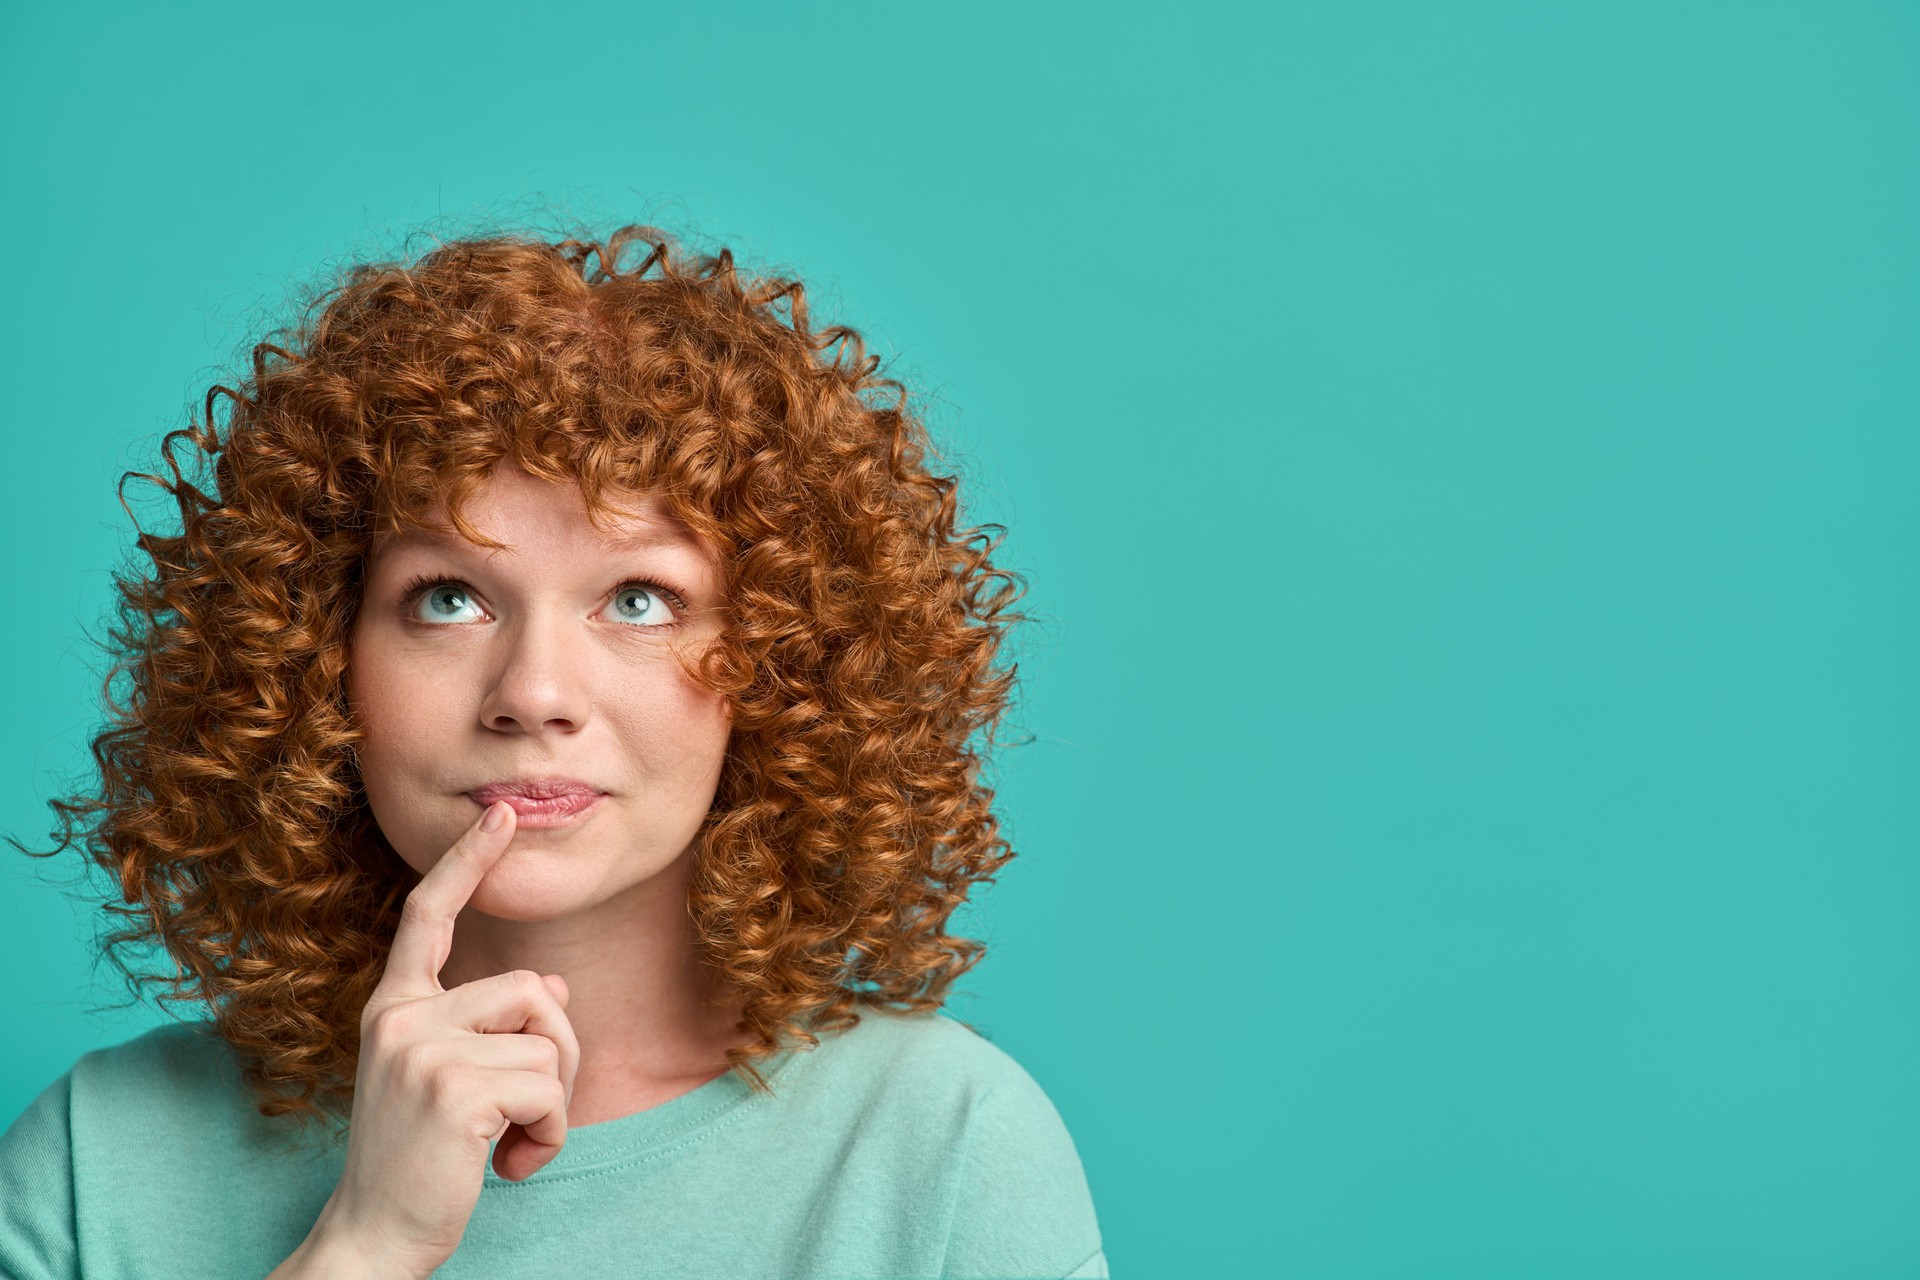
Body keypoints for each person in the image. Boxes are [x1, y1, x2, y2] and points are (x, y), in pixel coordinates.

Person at [0, 224, 1108, 1279]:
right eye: (447, 597)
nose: (533, 692)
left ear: (784, 666)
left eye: (639, 598)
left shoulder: (943, 1147)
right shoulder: (101, 1160)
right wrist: (361, 1244)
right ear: (316, 659)